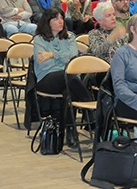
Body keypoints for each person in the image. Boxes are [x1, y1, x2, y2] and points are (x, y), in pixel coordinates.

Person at [33, 8, 92, 146]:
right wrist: (62, 58)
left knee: (68, 93)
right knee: (68, 76)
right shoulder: (39, 39)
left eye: (61, 18)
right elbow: (45, 65)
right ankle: (89, 107)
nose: (60, 21)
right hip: (47, 79)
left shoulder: (70, 37)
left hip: (68, 80)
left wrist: (52, 55)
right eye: (56, 19)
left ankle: (70, 131)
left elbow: (73, 57)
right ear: (47, 22)